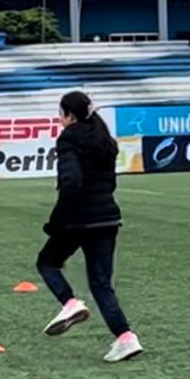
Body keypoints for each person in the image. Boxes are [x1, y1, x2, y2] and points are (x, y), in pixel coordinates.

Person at [37, 90, 143, 362]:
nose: (60, 119)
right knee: (100, 284)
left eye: (61, 114)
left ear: (69, 115)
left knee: (47, 262)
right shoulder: (104, 140)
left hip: (79, 218)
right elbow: (109, 183)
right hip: (107, 217)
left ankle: (70, 303)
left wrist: (55, 223)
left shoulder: (69, 139)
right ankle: (126, 338)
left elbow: (71, 184)